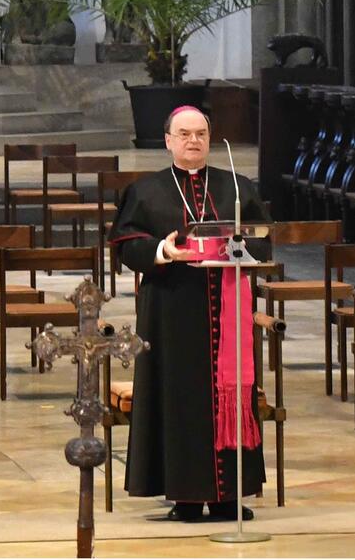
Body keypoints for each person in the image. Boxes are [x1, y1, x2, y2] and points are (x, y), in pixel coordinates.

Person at [108, 106, 270, 522]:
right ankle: (184, 496)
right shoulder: (145, 191)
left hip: (228, 310)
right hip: (172, 312)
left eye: (200, 133)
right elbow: (127, 245)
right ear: (167, 140)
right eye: (184, 134)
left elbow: (263, 242)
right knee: (178, 399)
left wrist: (239, 249)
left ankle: (230, 496)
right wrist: (164, 251)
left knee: (230, 397)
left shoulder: (237, 185)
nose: (193, 140)